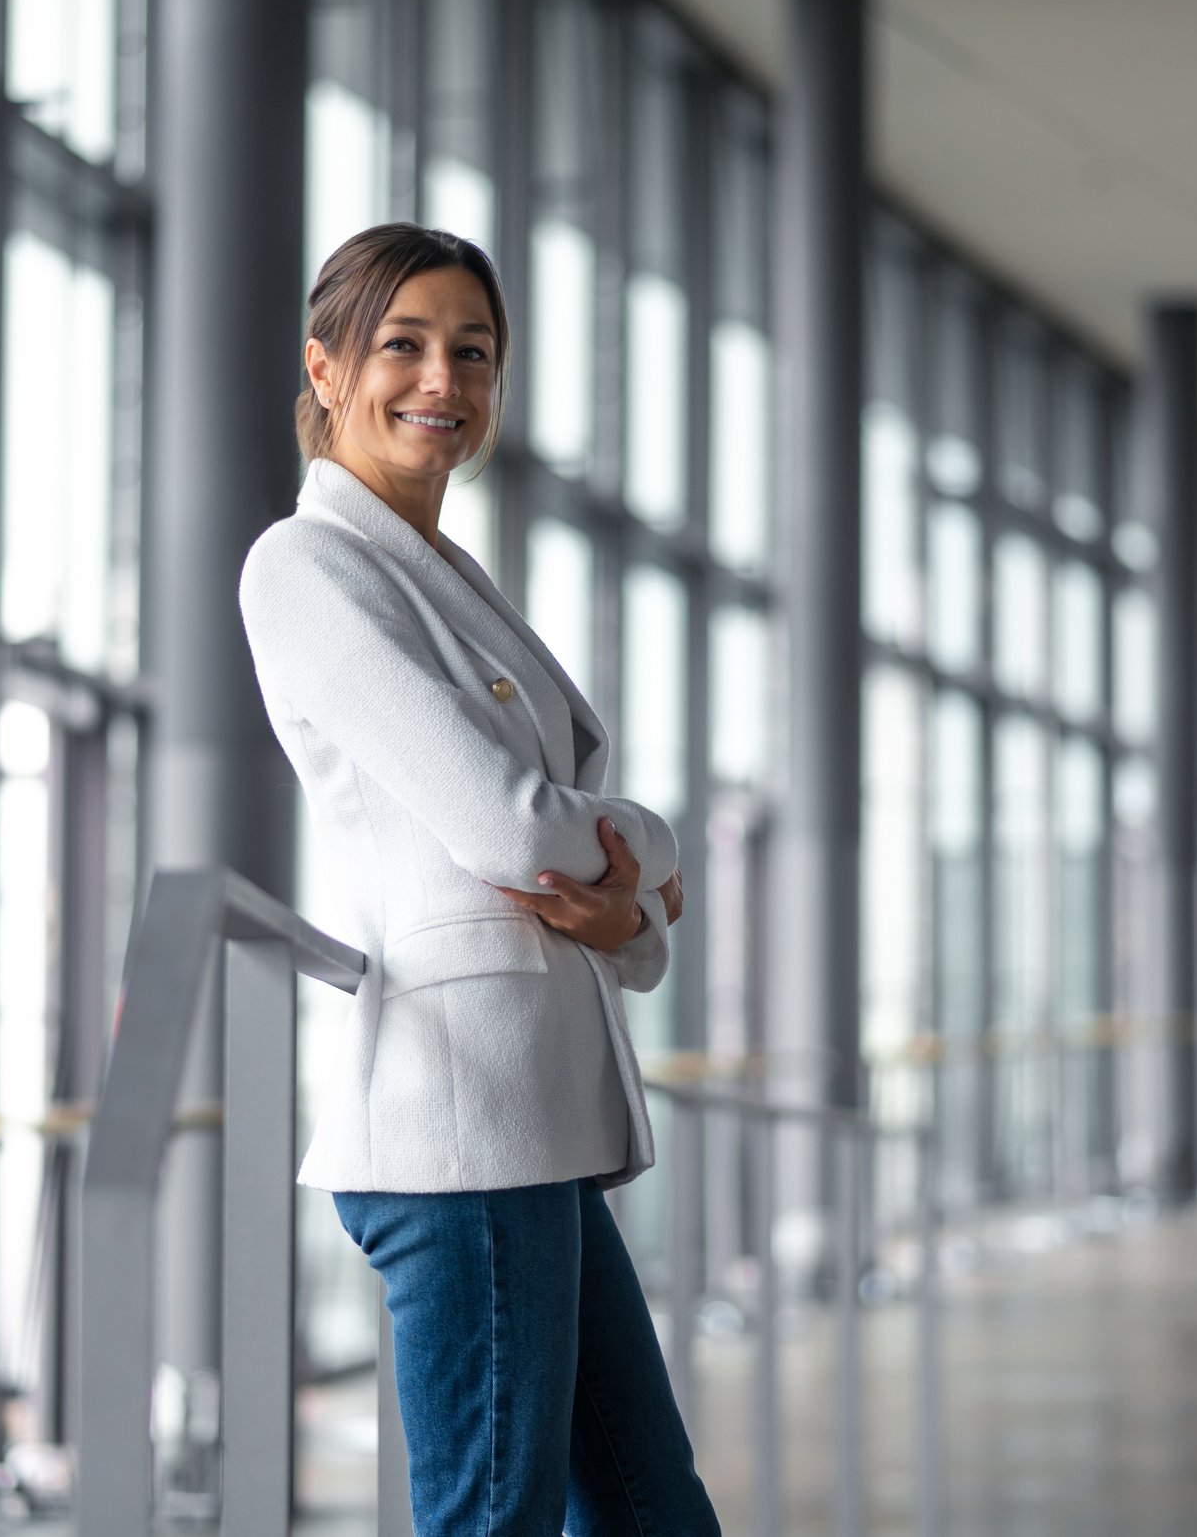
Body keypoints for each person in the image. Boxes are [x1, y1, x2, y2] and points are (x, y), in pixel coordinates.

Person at [238, 222, 722, 1535]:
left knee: (649, 1514)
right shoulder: (309, 567)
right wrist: (653, 853)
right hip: (464, 1130)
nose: (440, 380)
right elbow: (509, 827)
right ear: (327, 368)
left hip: (530, 1133)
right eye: (402, 346)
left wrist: (629, 890)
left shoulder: (443, 576)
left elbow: (556, 839)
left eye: (473, 351)